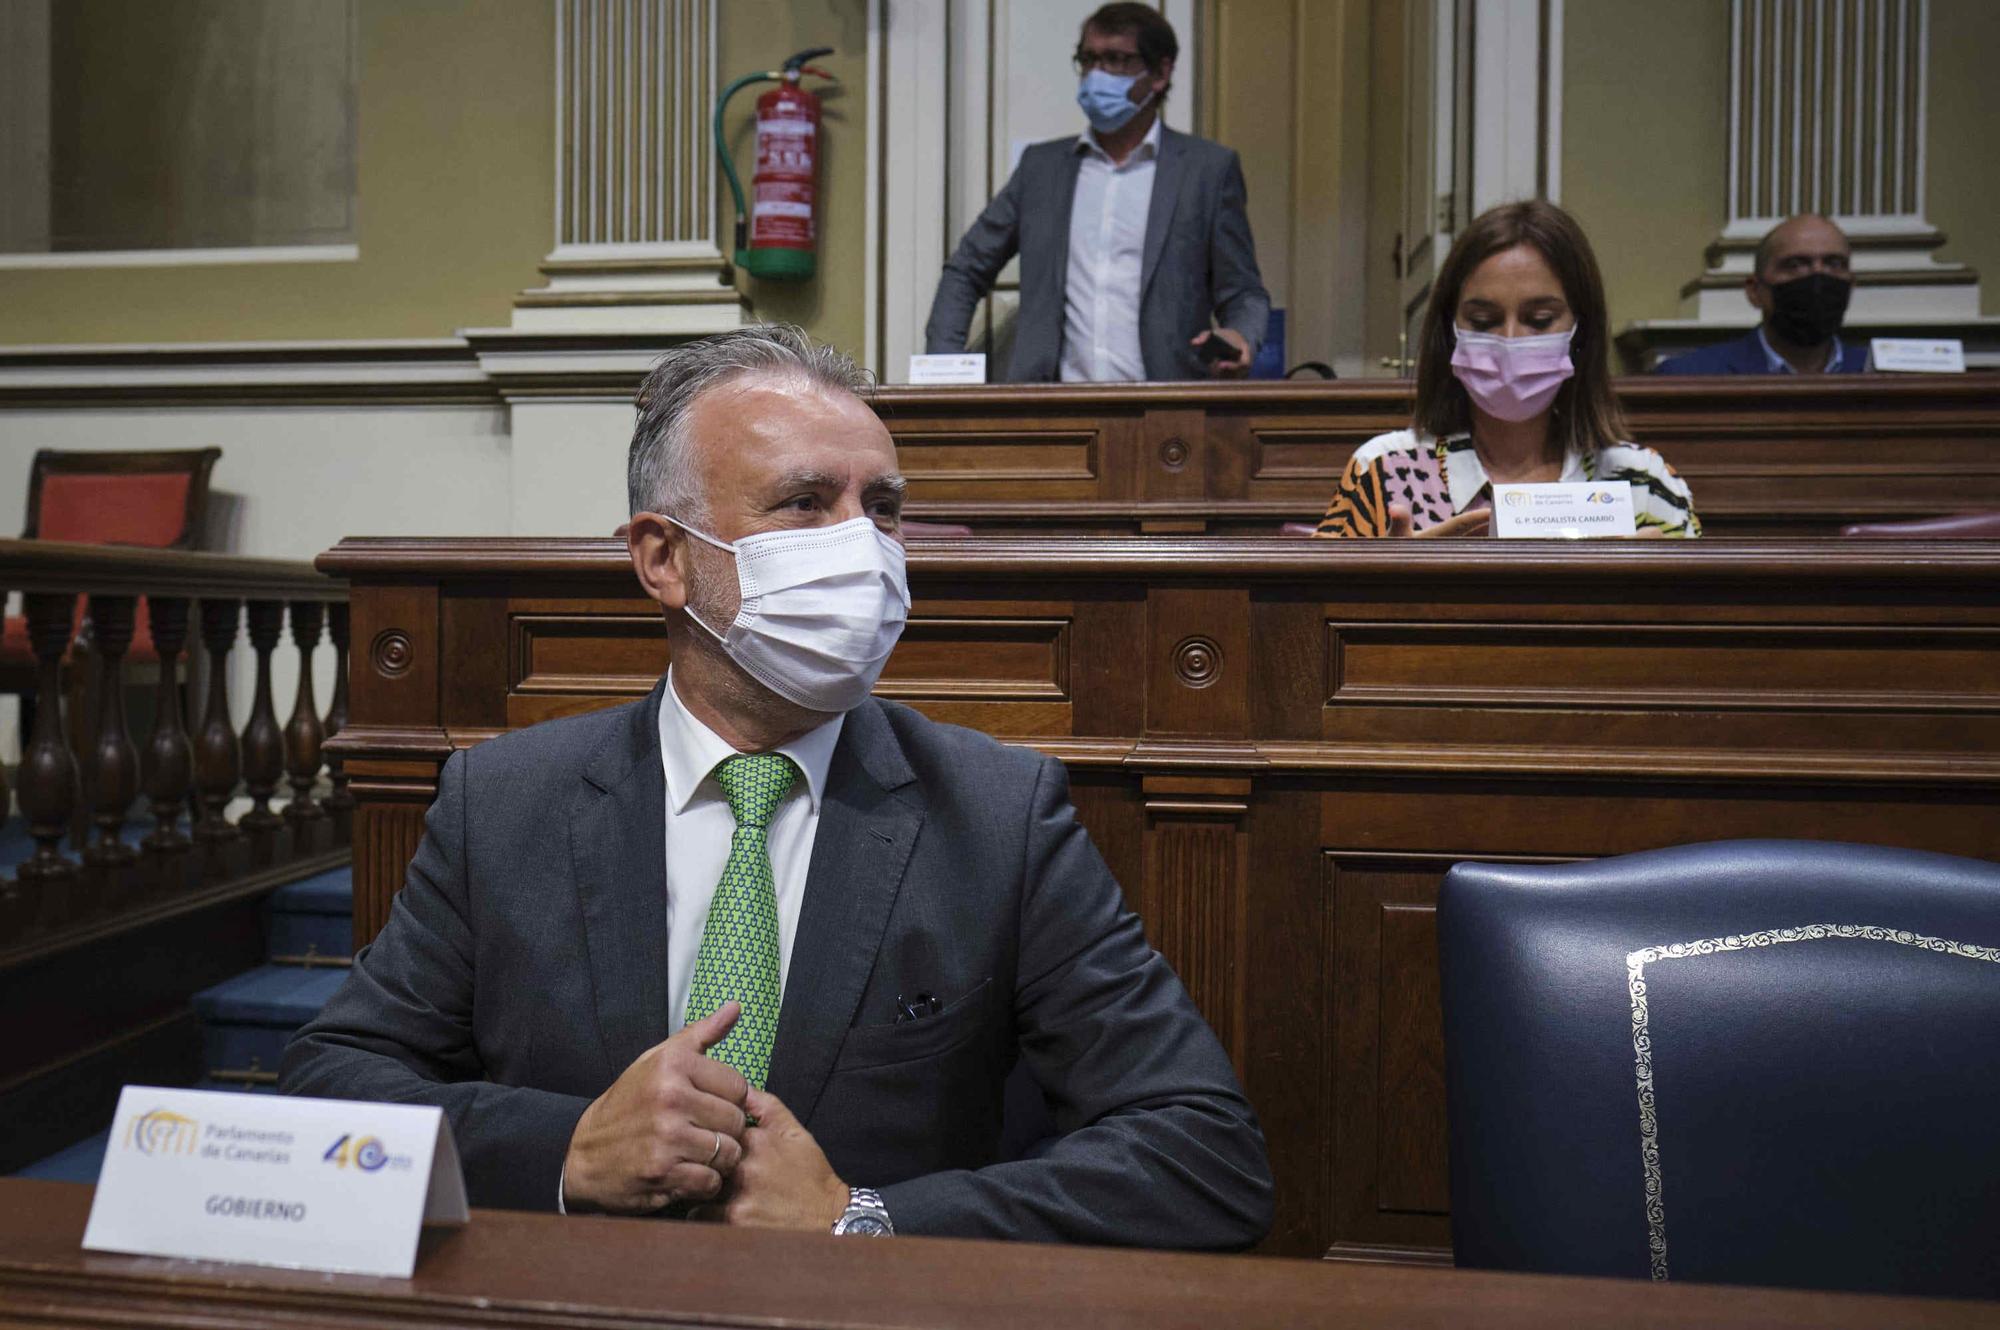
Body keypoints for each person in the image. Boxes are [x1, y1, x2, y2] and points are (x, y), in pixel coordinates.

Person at [281, 324, 1273, 1250]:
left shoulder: (998, 813)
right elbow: (327, 1088)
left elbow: (1201, 1154)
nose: (864, 548)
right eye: (805, 504)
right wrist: (569, 1149)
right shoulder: (504, 801)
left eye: (881, 509)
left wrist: (861, 1221)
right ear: (663, 559)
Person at [923, 3, 1269, 382]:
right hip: (1055, 408)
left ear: (1160, 72)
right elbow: (966, 269)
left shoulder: (1207, 171)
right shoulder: (1042, 168)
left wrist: (1241, 335)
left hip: (1166, 405)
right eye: (1088, 59)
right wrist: (943, 371)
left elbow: (1243, 293)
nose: (1097, 74)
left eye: (1117, 60)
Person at [1315, 200, 1699, 539]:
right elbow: (1316, 613)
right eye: (1483, 321)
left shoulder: (1645, 484)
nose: (1511, 340)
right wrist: (1390, 590)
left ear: (1581, 330)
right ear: (1450, 329)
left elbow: (1703, 618)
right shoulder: (1385, 472)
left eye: (1540, 319)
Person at [1655, 214, 1868, 375]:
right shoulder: (1690, 376)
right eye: (1795, 265)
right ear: (1754, 291)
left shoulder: (1881, 373)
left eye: (1834, 264)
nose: (1818, 275)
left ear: (1851, 285)